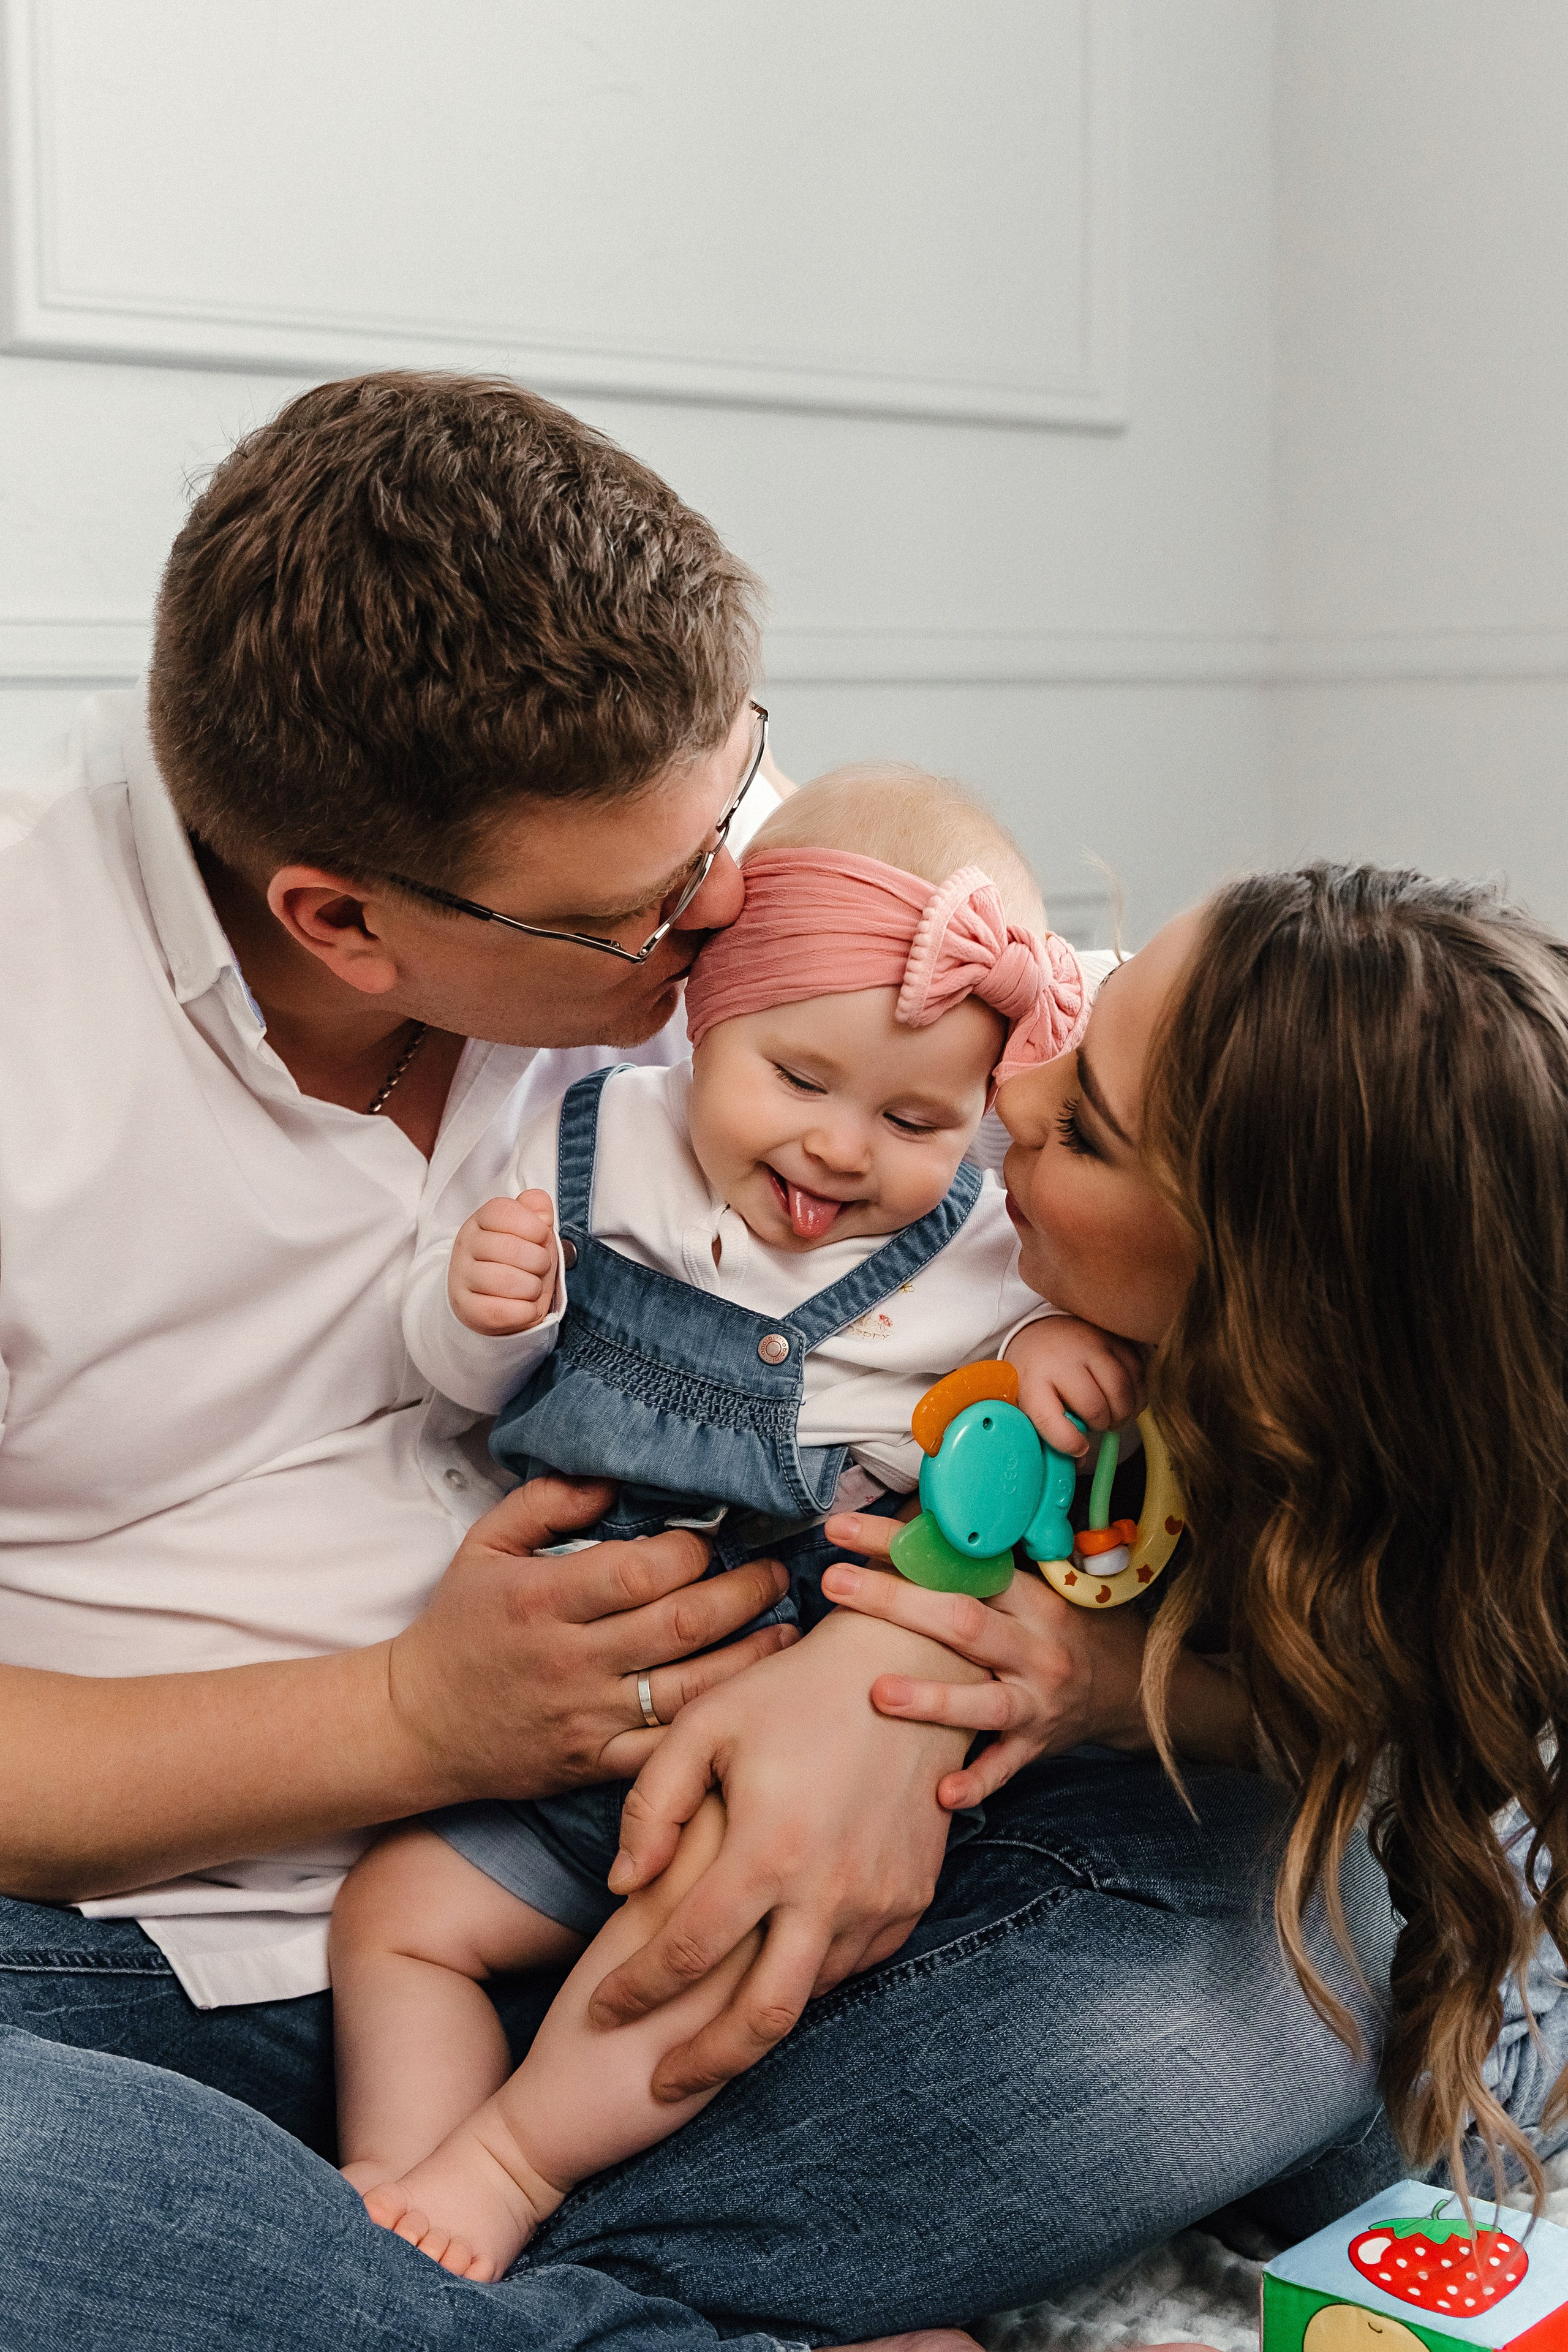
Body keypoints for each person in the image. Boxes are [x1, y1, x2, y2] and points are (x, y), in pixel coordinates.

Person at [0, 364, 1400, 2346]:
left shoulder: (712, 895)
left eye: (738, 798)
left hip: (747, 1852)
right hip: (153, 1967)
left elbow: (1047, 1259)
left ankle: (447, 2272)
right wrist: (415, 1719)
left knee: (1295, 1922)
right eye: (651, 915)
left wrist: (891, 1677)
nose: (735, 910)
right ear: (344, 918)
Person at [330, 766, 1145, 2279]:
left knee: (698, 1949)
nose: (842, 1151)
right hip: (564, 1703)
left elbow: (1033, 1400)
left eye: (915, 1117)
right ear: (707, 1021)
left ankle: (509, 2167)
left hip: (789, 1714)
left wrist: (1033, 1356)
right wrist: (477, 1313)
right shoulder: (589, 1147)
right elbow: (458, 1385)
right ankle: (398, 2182)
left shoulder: (978, 1244)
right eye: (797, 1081)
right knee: (395, 1916)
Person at [820, 862, 1568, 2209]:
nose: (1011, 1092)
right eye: (1087, 1007)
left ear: (1267, 1309)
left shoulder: (1427, 1508)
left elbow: (1377, 1728)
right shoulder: (1019, 1274)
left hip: (1456, 1996)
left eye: (1090, 1133)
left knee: (1340, 2109)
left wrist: (1112, 1686)